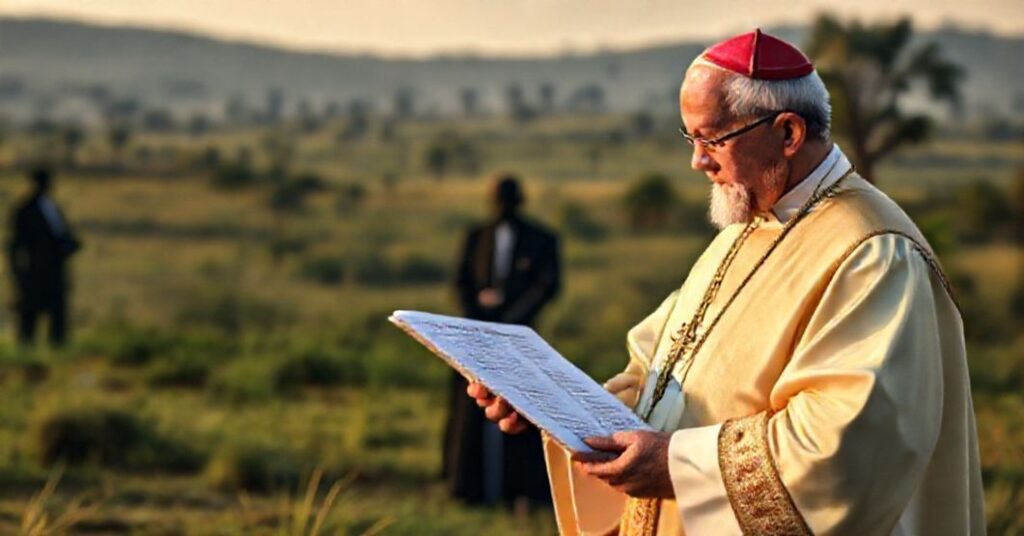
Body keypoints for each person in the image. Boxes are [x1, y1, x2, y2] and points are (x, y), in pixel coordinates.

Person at [470, 29, 984, 535]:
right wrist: (549, 408)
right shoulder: (747, 225)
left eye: (712, 139)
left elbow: (848, 449)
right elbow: (655, 385)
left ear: (788, 134)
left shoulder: (873, 253)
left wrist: (679, 465)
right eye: (690, 138)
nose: (697, 161)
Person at [445, 174, 561, 509]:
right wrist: (478, 316)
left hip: (519, 340)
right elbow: (461, 282)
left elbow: (547, 286)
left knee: (521, 415)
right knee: (469, 414)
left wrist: (510, 319)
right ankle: (468, 488)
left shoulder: (541, 239)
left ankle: (523, 491)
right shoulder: (476, 236)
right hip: (476, 338)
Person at [7, 166, 81, 347]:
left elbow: (62, 237)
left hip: (54, 272)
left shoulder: (52, 207)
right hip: (34, 272)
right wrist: (18, 274)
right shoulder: (25, 210)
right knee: (29, 320)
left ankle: (57, 355)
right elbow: (16, 245)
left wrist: (69, 246)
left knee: (57, 319)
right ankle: (27, 357)